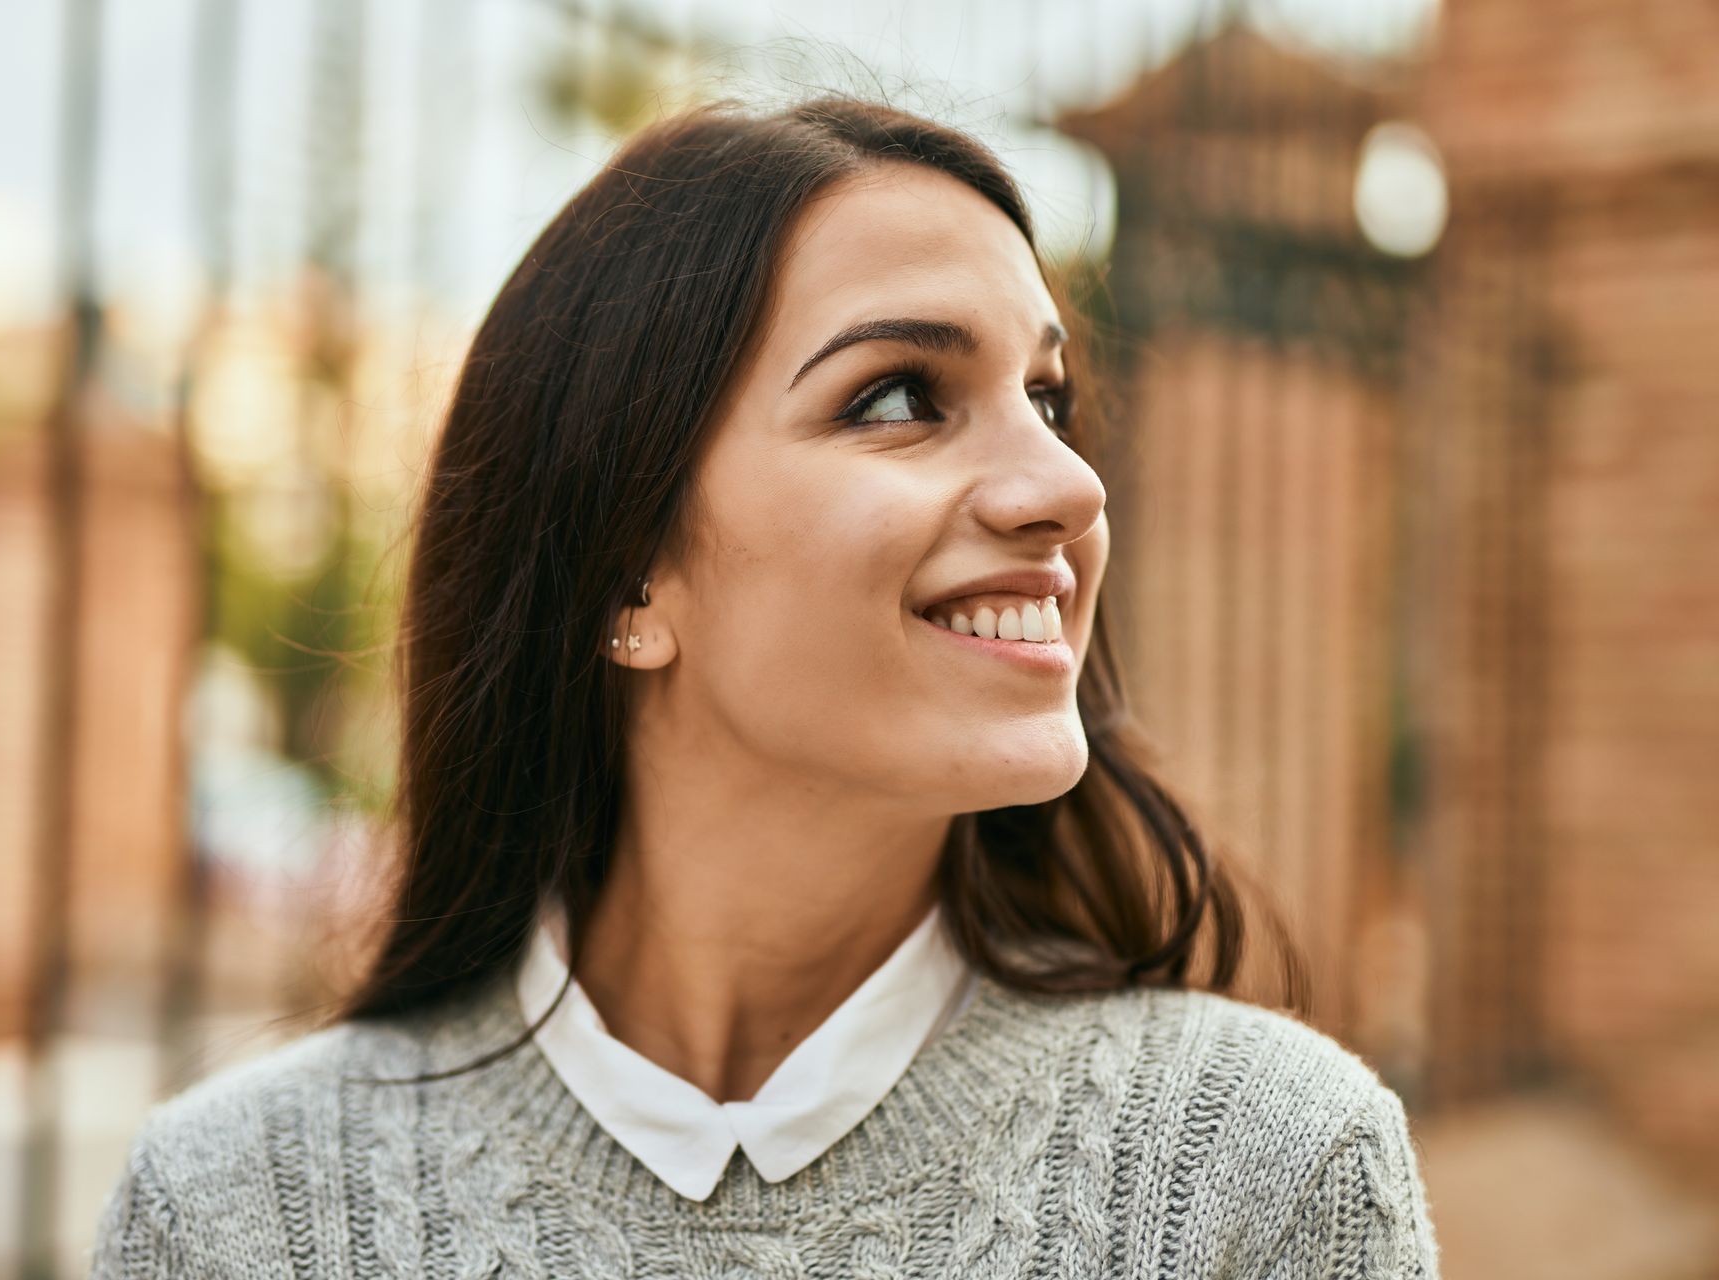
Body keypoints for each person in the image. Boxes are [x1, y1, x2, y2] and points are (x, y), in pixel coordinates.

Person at [90, 93, 1439, 1278]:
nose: (1069, 486)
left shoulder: (1269, 1177)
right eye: (903, 396)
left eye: (1049, 396)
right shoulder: (235, 1213)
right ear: (627, 574)